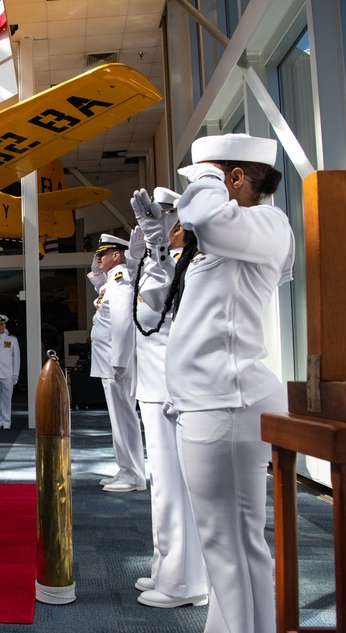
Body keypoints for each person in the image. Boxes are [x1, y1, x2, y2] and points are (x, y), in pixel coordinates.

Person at [133, 133, 294, 633]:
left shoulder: (265, 225)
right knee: (227, 547)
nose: (185, 200)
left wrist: (204, 185)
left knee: (233, 549)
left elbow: (212, 219)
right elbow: (162, 312)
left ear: (234, 179)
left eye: (202, 178)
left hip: (227, 401)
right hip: (207, 401)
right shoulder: (223, 240)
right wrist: (159, 248)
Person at [128, 188, 208, 610]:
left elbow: (159, 307)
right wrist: (146, 243)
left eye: (166, 221)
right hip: (156, 385)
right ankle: (168, 568)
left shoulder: (186, 265)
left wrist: (157, 246)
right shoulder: (168, 261)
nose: (162, 228)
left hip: (169, 387)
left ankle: (184, 583)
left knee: (174, 485)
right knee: (163, 484)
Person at [88, 233, 145, 493]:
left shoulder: (121, 282)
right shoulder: (112, 282)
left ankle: (134, 475)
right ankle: (125, 469)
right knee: (118, 419)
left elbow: (123, 324)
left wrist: (120, 361)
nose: (98, 258)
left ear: (117, 255)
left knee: (124, 418)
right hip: (109, 363)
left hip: (115, 365)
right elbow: (99, 286)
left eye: (103, 254)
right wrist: (97, 270)